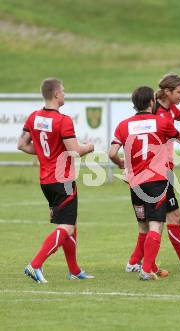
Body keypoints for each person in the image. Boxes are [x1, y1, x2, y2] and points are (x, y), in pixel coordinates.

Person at [124, 73, 180, 273]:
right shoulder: (153, 111)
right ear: (167, 92)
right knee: (165, 220)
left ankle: (135, 262)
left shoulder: (171, 109)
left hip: (162, 172)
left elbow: (179, 135)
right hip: (155, 175)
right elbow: (179, 133)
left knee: (158, 221)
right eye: (179, 91)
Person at [109, 86, 180, 280]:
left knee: (143, 226)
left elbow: (111, 153)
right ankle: (146, 269)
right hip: (157, 181)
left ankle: (140, 264)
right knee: (156, 225)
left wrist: (121, 164)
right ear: (152, 102)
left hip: (135, 183)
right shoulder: (161, 122)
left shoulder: (123, 125)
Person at [19, 78, 94, 283]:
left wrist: (46, 154)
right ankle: (35, 265)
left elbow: (22, 145)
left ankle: (74, 270)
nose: (65, 93)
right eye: (63, 90)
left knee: (69, 223)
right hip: (63, 180)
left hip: (46, 180)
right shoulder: (63, 120)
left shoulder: (34, 117)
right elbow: (75, 151)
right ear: (56, 94)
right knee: (67, 226)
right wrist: (89, 146)